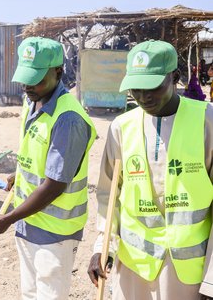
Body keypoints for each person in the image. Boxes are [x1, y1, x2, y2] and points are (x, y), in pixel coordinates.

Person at [87, 40, 213, 300]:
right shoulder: (122, 127)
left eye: (153, 87)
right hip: (133, 265)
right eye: (136, 88)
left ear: (175, 77)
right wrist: (103, 247)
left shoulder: (207, 121)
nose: (144, 97)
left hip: (186, 270)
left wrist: (211, 281)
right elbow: (108, 195)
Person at [0, 37, 96, 300]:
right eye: (25, 78)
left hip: (55, 232)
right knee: (30, 293)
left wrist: (8, 217)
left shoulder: (68, 119)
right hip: (30, 222)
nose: (27, 85)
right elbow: (36, 155)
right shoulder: (32, 101)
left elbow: (55, 186)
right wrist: (20, 175)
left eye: (35, 78)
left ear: (58, 71)